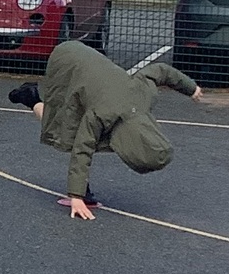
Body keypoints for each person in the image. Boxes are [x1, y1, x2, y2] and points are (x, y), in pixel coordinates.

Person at [10, 39, 201, 219]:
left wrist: (190, 88)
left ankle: (83, 189)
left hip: (88, 63)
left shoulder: (144, 96)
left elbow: (161, 71)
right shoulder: (101, 115)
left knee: (86, 133)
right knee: (66, 131)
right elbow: (82, 149)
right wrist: (76, 196)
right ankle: (31, 97)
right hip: (67, 63)